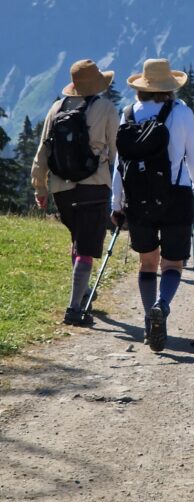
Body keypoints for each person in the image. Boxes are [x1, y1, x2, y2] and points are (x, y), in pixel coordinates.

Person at [111, 58, 194, 352]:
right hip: (176, 196)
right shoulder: (182, 113)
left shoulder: (128, 114)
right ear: (169, 87)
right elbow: (193, 156)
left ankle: (146, 319)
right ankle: (161, 306)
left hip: (137, 200)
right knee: (173, 263)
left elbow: (120, 165)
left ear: (141, 87)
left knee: (147, 262)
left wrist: (116, 205)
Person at [31, 59, 119, 327]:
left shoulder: (56, 108)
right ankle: (74, 308)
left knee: (78, 240)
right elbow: (117, 150)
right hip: (94, 185)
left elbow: (43, 151)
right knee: (86, 247)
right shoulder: (105, 108)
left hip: (63, 188)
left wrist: (40, 187)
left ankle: (81, 296)